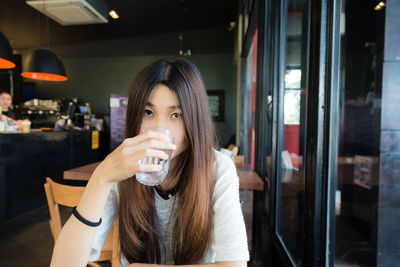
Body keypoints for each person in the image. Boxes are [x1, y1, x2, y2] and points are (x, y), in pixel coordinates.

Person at [50, 59, 249, 267]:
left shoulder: (217, 169)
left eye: (176, 115)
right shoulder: (123, 170)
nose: (158, 129)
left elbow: (235, 265)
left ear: (194, 119)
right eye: (148, 112)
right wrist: (101, 178)